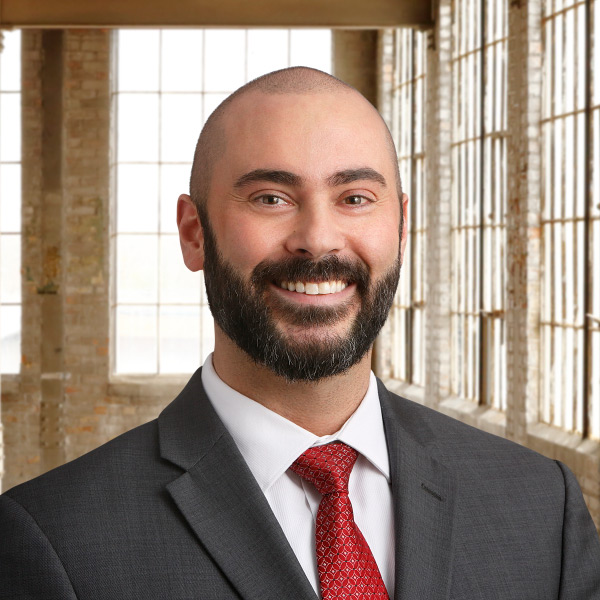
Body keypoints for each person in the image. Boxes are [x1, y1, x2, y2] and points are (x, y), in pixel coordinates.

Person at [1, 66, 599, 600]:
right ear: (193, 233)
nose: (318, 237)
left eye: (355, 197)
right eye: (271, 197)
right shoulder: (55, 542)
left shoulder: (542, 507)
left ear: (402, 227)